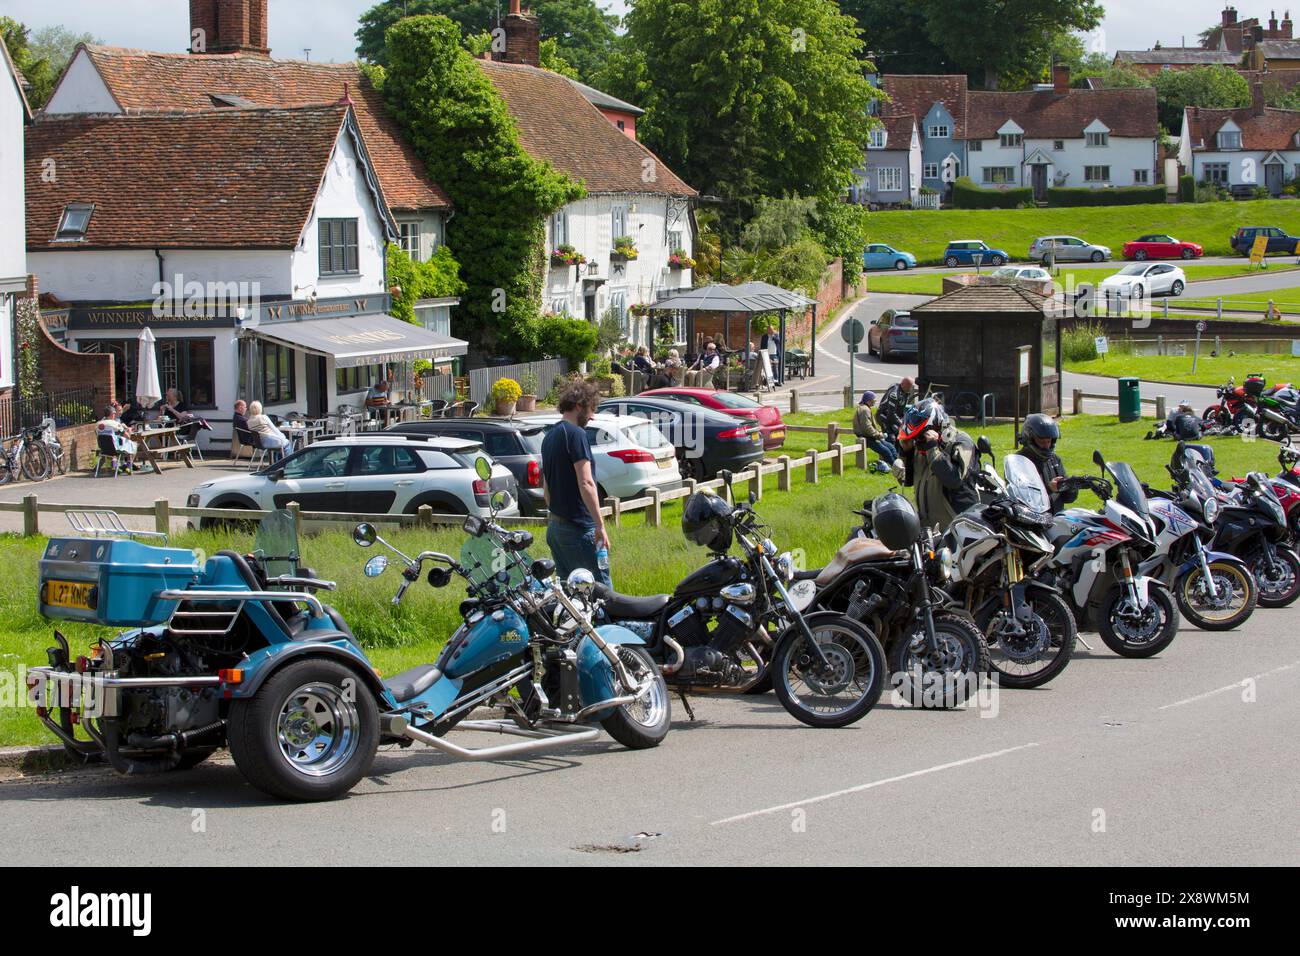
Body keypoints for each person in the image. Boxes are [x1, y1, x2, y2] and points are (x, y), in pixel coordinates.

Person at [542, 379, 611, 587]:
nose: (592, 416)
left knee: (570, 596)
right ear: (579, 405)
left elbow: (546, 489)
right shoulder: (576, 434)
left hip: (555, 528)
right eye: (591, 408)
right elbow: (586, 482)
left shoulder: (549, 437)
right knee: (600, 592)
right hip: (578, 529)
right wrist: (599, 525)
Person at [896, 398, 980, 530]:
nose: (917, 441)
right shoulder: (924, 445)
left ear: (934, 426)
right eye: (914, 438)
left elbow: (953, 479)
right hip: (929, 526)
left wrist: (933, 449)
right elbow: (908, 481)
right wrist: (906, 453)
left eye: (919, 436)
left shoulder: (961, 442)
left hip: (956, 527)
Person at [1016, 413, 1076, 513]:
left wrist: (1071, 487)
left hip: (1056, 520)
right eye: (1042, 441)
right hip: (1032, 521)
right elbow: (1021, 498)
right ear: (1030, 438)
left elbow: (1068, 499)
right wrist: (1049, 489)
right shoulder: (1019, 462)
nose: (1046, 446)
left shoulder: (1054, 460)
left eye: (1048, 441)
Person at [853, 390, 896, 473]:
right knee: (886, 450)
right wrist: (877, 435)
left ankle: (897, 465)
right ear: (869, 400)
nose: (875, 402)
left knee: (891, 447)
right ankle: (896, 469)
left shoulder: (865, 408)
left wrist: (878, 432)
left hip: (871, 436)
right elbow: (867, 427)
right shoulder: (865, 410)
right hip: (866, 437)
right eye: (874, 400)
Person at [96, 404, 137, 470]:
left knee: (118, 446)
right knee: (132, 444)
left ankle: (114, 466)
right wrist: (128, 432)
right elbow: (127, 436)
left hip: (103, 448)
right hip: (115, 448)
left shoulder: (98, 424)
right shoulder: (115, 424)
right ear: (112, 414)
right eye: (114, 413)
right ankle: (128, 467)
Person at [877, 376, 917, 441]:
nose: (910, 389)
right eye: (908, 387)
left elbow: (901, 411)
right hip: (884, 415)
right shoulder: (895, 394)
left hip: (893, 415)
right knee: (891, 437)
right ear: (902, 384)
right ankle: (889, 449)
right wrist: (901, 423)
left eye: (910, 387)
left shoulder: (905, 391)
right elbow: (891, 414)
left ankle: (897, 450)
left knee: (902, 433)